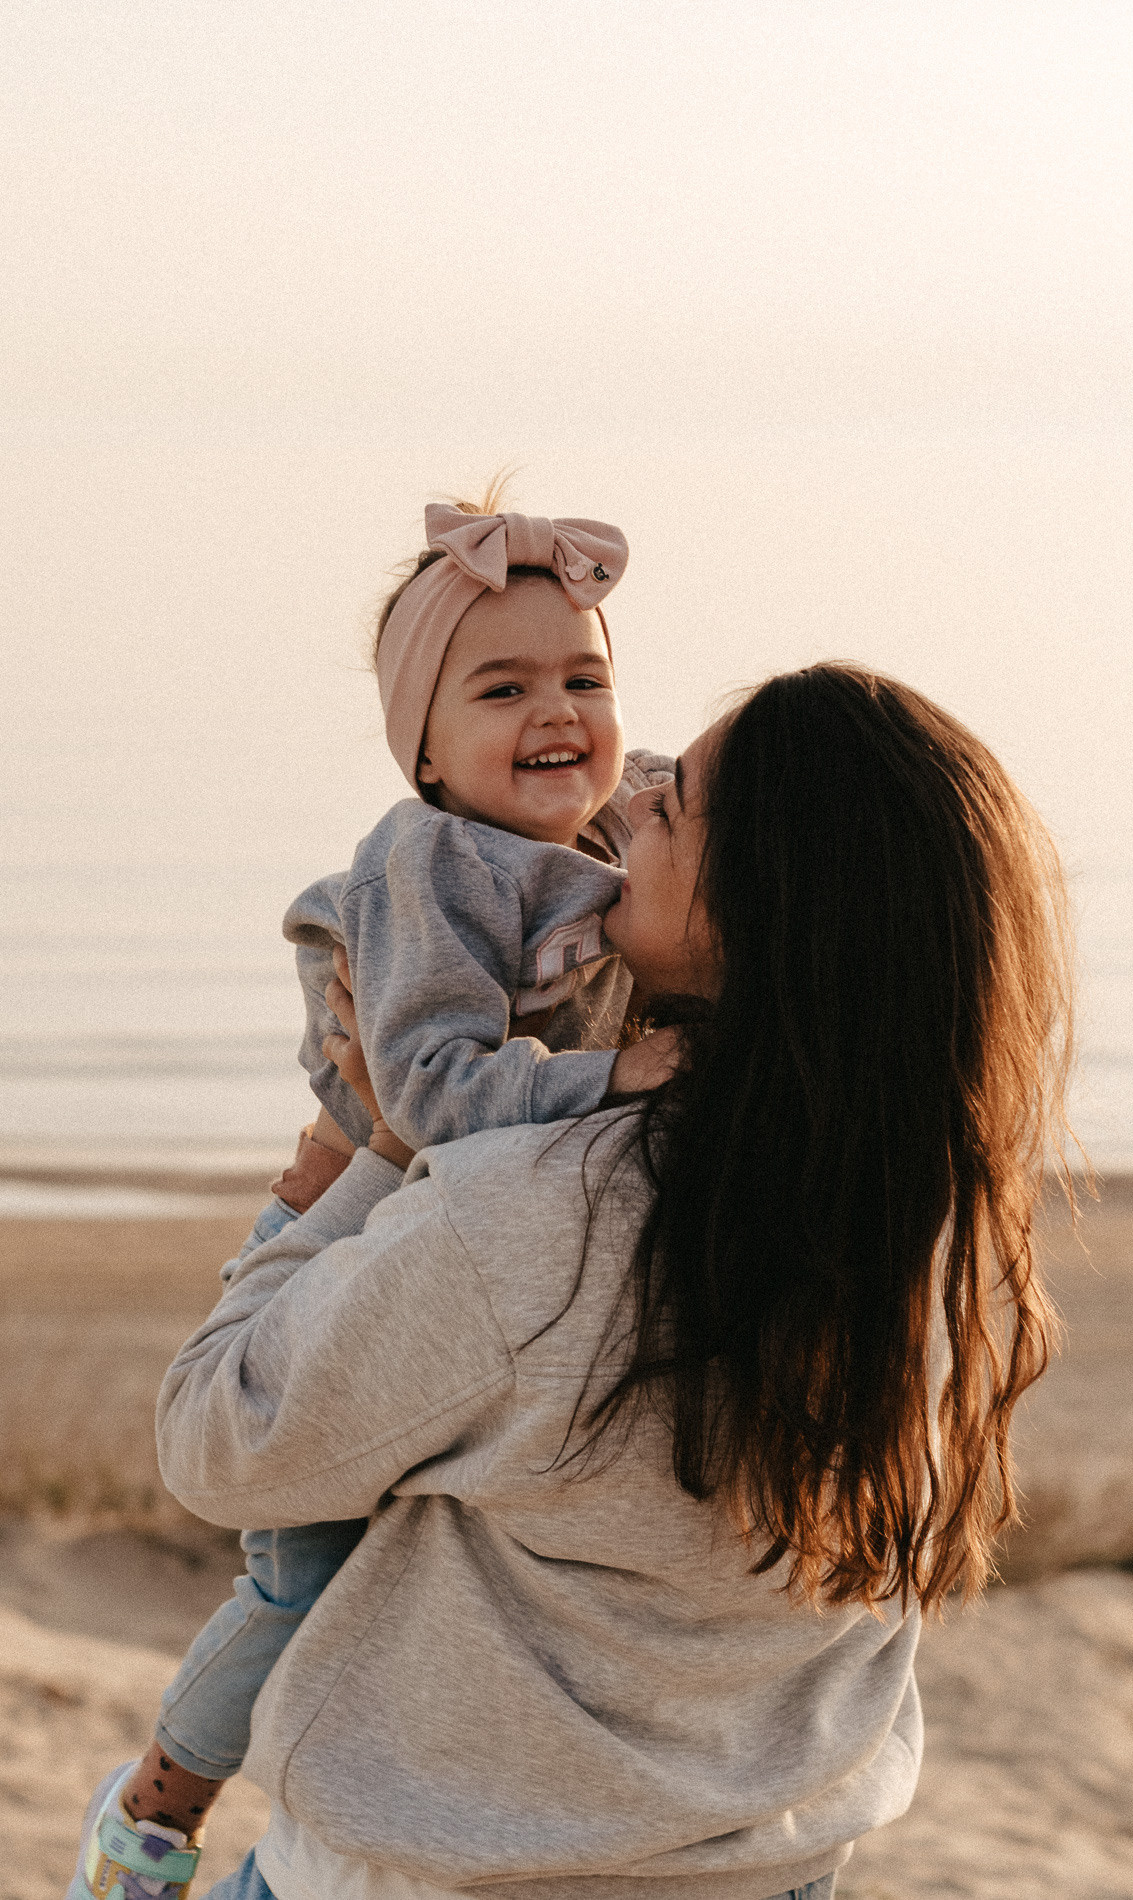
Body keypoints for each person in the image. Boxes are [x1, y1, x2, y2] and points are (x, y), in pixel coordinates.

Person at [65, 489, 680, 1900]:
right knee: (300, 1578)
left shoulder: (613, 826)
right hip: (347, 1226)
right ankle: (156, 1807)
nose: (558, 712)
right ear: (425, 749)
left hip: (451, 1239)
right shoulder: (432, 865)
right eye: (502, 688)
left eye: (584, 679)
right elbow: (433, 1094)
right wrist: (618, 1075)